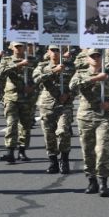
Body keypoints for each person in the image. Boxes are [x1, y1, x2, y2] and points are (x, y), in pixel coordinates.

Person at [69, 49, 109, 197]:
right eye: (92, 56)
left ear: (102, 58)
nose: (95, 58)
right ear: (87, 59)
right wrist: (95, 79)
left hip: (104, 116)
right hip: (85, 116)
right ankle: (91, 179)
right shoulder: (81, 73)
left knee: (102, 149)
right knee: (88, 150)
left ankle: (103, 182)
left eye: (98, 56)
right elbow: (73, 87)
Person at [32, 45, 76, 174]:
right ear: (48, 52)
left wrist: (69, 95)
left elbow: (78, 85)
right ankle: (53, 161)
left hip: (65, 104)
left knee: (63, 131)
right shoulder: (42, 66)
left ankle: (64, 160)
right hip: (47, 104)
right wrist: (53, 71)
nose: (55, 53)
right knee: (49, 135)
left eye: (58, 50)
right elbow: (35, 80)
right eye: (53, 50)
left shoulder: (71, 66)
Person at [0, 42, 37, 163]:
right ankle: (10, 151)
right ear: (12, 48)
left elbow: (39, 77)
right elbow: (1, 72)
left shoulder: (33, 60)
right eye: (17, 46)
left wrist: (33, 87)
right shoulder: (6, 60)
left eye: (21, 46)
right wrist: (19, 65)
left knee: (26, 125)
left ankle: (22, 150)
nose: (19, 48)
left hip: (27, 98)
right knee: (12, 124)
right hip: (11, 97)